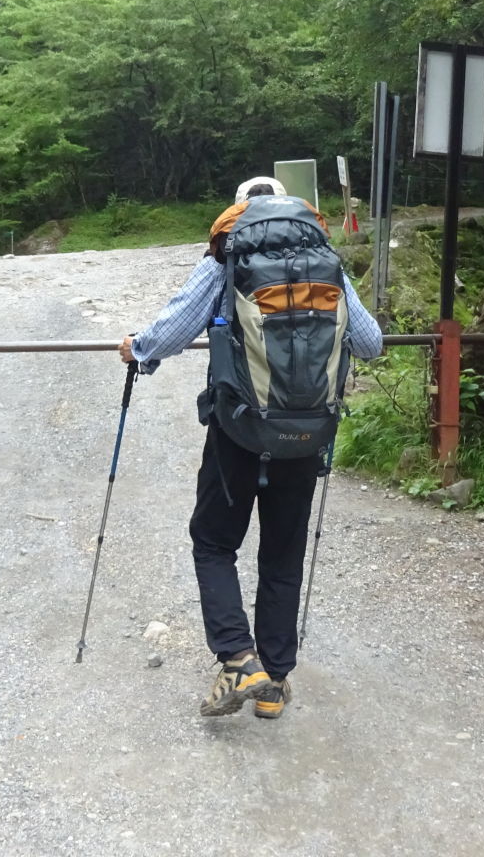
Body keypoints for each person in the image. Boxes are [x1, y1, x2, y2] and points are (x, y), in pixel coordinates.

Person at [118, 176, 384, 719]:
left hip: (239, 431)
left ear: (240, 212)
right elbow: (371, 343)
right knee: (282, 553)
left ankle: (239, 657)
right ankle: (276, 680)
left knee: (213, 541)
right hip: (307, 432)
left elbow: (177, 324)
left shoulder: (229, 255)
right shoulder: (322, 258)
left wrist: (138, 350)